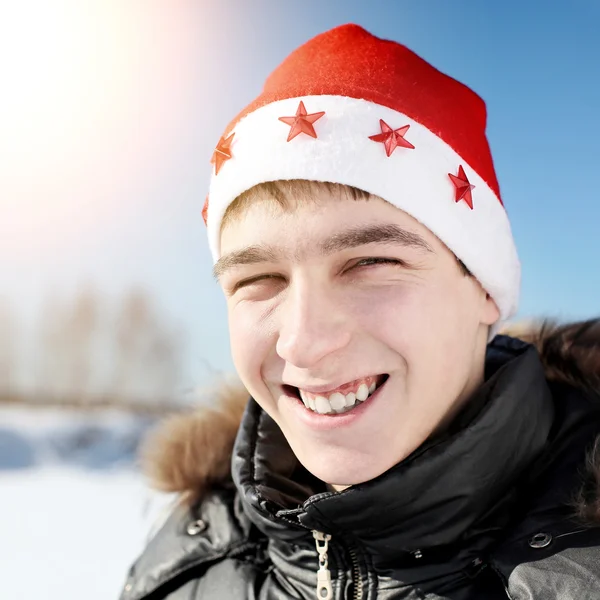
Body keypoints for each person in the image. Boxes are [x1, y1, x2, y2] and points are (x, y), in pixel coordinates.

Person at [119, 24, 600, 600]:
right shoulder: (188, 562)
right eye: (258, 280)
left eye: (370, 263)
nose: (303, 341)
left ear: (484, 290)